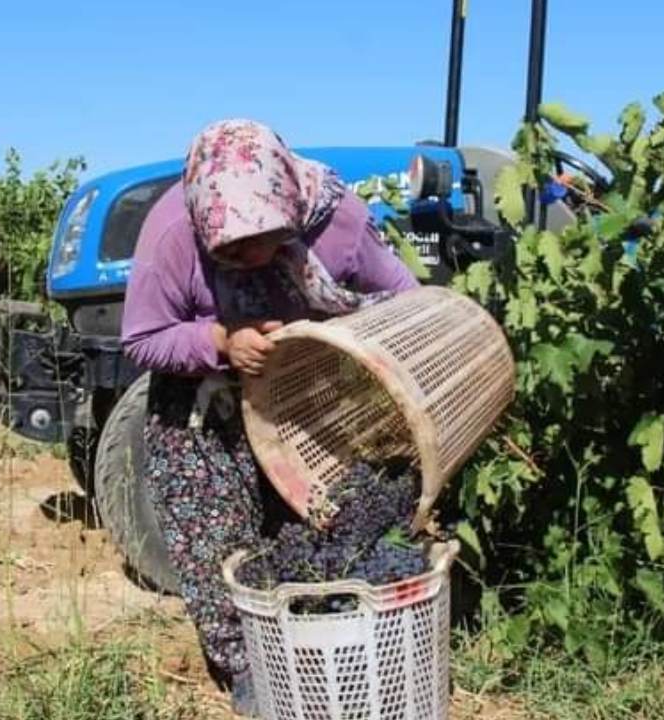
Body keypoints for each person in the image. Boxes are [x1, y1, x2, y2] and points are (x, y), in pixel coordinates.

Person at [120, 119, 419, 715]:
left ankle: (319, 650)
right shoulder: (172, 234)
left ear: (290, 205)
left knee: (316, 528)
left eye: (265, 240)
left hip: (310, 396)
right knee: (217, 546)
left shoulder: (340, 223)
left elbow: (408, 304)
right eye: (230, 248)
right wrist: (219, 341)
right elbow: (142, 339)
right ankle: (247, 667)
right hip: (204, 405)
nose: (250, 258)